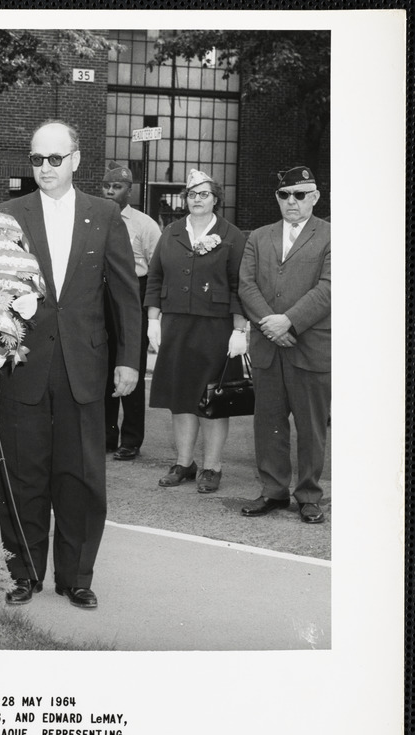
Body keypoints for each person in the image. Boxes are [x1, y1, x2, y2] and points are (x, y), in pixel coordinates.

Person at [0, 120, 139, 609]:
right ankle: (24, 571)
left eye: (55, 159)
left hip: (85, 365)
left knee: (80, 476)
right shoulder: (8, 215)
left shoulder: (104, 214)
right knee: (22, 471)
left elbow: (124, 295)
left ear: (76, 160)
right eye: (37, 159)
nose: (45, 168)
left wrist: (129, 361)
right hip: (26, 363)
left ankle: (76, 576)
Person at [144, 169, 248, 494]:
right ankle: (184, 463)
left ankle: (213, 466)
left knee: (211, 400)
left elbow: (239, 285)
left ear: (216, 198)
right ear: (185, 198)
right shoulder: (172, 232)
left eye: (204, 194)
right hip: (176, 325)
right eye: (192, 194)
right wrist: (153, 320)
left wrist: (239, 329)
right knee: (181, 398)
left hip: (215, 327)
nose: (198, 199)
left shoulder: (232, 235)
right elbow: (155, 277)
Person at [237, 167, 331, 524]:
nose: (291, 201)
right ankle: (273, 491)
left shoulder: (331, 236)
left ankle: (309, 494)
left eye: (300, 194)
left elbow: (329, 287)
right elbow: (246, 286)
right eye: (284, 195)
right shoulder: (259, 237)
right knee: (269, 422)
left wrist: (288, 320)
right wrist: (271, 325)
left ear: (315, 196)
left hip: (310, 344)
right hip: (268, 344)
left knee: (311, 426)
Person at [101, 162, 162, 461]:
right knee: (104, 367)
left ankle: (132, 439)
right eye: (107, 186)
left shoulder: (145, 224)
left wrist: (153, 313)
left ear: (130, 190)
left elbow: (157, 270)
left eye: (118, 187)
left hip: (134, 294)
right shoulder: (95, 218)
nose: (111, 191)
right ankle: (107, 434)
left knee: (131, 365)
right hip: (101, 296)